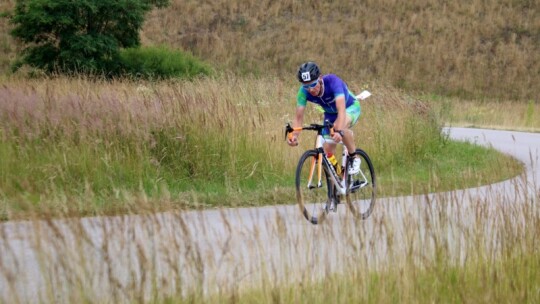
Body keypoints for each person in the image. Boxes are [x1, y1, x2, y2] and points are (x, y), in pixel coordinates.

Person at [287, 61, 361, 175]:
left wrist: (340, 131)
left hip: (349, 107)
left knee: (338, 127)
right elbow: (298, 117)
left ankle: (354, 157)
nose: (311, 89)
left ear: (320, 78)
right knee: (327, 151)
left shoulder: (333, 82)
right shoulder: (303, 92)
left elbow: (341, 110)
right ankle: (340, 176)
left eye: (313, 84)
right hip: (330, 114)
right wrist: (294, 135)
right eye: (306, 86)